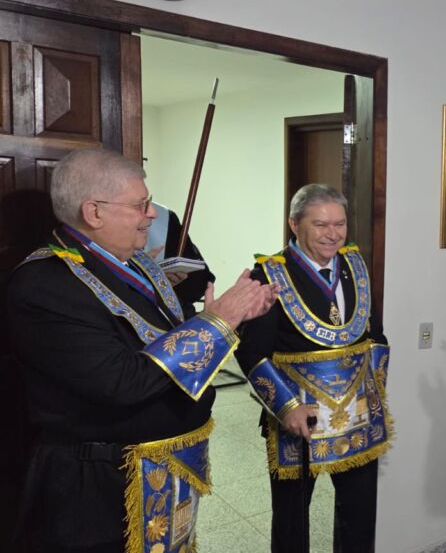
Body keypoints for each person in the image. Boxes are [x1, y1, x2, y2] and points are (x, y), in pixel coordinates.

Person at [6, 149, 276, 553]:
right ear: (94, 212)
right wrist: (218, 321)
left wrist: (232, 319)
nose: (152, 214)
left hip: (165, 472)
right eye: (140, 204)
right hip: (99, 490)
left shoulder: (140, 266)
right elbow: (121, 381)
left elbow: (171, 343)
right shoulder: (45, 283)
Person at [235, 183, 391, 553]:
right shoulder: (267, 274)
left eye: (339, 224)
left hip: (357, 416)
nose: (332, 234)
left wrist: (374, 391)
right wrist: (286, 407)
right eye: (321, 225)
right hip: (297, 418)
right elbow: (251, 352)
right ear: (294, 224)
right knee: (292, 523)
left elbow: (375, 335)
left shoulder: (355, 264)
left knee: (359, 514)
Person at [144, 201, 216, 316]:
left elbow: (199, 282)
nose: (152, 213)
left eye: (147, 199)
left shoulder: (163, 218)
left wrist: (163, 285)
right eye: (137, 204)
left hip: (174, 313)